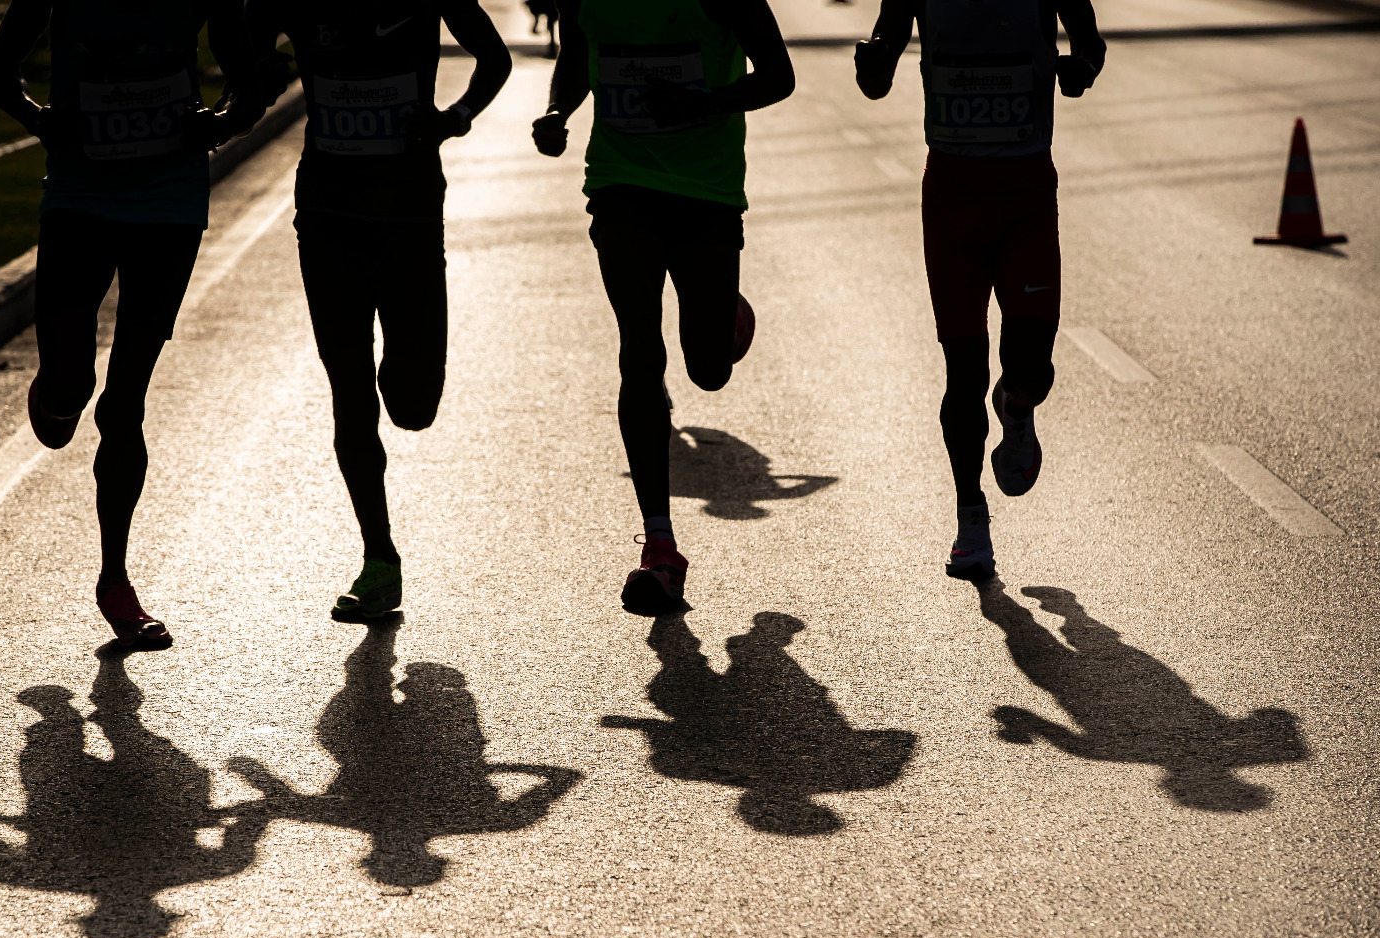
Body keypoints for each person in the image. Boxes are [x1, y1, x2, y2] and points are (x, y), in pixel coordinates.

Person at [0, 0, 281, 647]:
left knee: (124, 406)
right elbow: (0, 70)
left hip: (169, 204)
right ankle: (57, 387)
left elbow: (248, 81)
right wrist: (40, 120)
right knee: (71, 388)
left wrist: (223, 122)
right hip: (79, 199)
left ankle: (114, 579)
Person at [244, 0, 511, 622]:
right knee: (350, 389)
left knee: (413, 406)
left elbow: (494, 58)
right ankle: (378, 557)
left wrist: (455, 117)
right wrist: (258, 73)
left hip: (409, 213)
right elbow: (242, 47)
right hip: (327, 213)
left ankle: (405, 381)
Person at [532, 0, 794, 615]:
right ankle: (660, 545)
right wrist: (555, 111)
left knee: (707, 368)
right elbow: (576, 56)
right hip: (621, 186)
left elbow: (779, 76)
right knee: (640, 354)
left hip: (706, 193)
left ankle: (723, 310)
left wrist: (703, 104)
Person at [854, 0, 1104, 581]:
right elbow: (881, 63)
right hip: (950, 199)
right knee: (962, 372)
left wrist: (1080, 69)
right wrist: (872, 67)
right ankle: (971, 519)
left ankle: (1017, 408)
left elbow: (1090, 41)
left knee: (1031, 367)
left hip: (1026, 198)